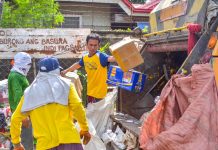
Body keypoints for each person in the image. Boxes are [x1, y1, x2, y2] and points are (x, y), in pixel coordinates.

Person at [10, 57, 91, 150]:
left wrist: (16, 143)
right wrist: (85, 129)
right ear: (56, 70)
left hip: (45, 145)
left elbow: (15, 119)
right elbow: (78, 107)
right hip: (69, 141)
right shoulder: (66, 85)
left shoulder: (29, 93)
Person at [61, 33, 116, 103]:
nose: (93, 47)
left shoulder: (101, 56)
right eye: (91, 45)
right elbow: (77, 64)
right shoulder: (85, 57)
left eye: (95, 45)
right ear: (87, 45)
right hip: (90, 92)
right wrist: (66, 71)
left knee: (98, 113)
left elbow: (112, 59)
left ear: (98, 46)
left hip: (100, 94)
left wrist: (122, 51)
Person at [8, 52, 33, 149]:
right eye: (27, 64)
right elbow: (18, 97)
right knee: (23, 142)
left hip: (23, 112)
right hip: (21, 114)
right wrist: (23, 117)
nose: (28, 66)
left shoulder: (19, 74)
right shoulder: (15, 76)